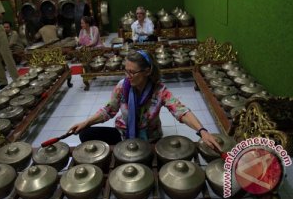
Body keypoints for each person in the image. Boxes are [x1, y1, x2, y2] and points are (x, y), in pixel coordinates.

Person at [69, 50, 221, 150]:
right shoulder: (122, 86)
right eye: (126, 71)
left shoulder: (159, 91)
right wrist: (86, 122)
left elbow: (181, 111)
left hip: (150, 139)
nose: (127, 76)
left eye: (132, 72)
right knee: (85, 134)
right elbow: (108, 110)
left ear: (147, 71)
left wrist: (202, 131)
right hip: (123, 134)